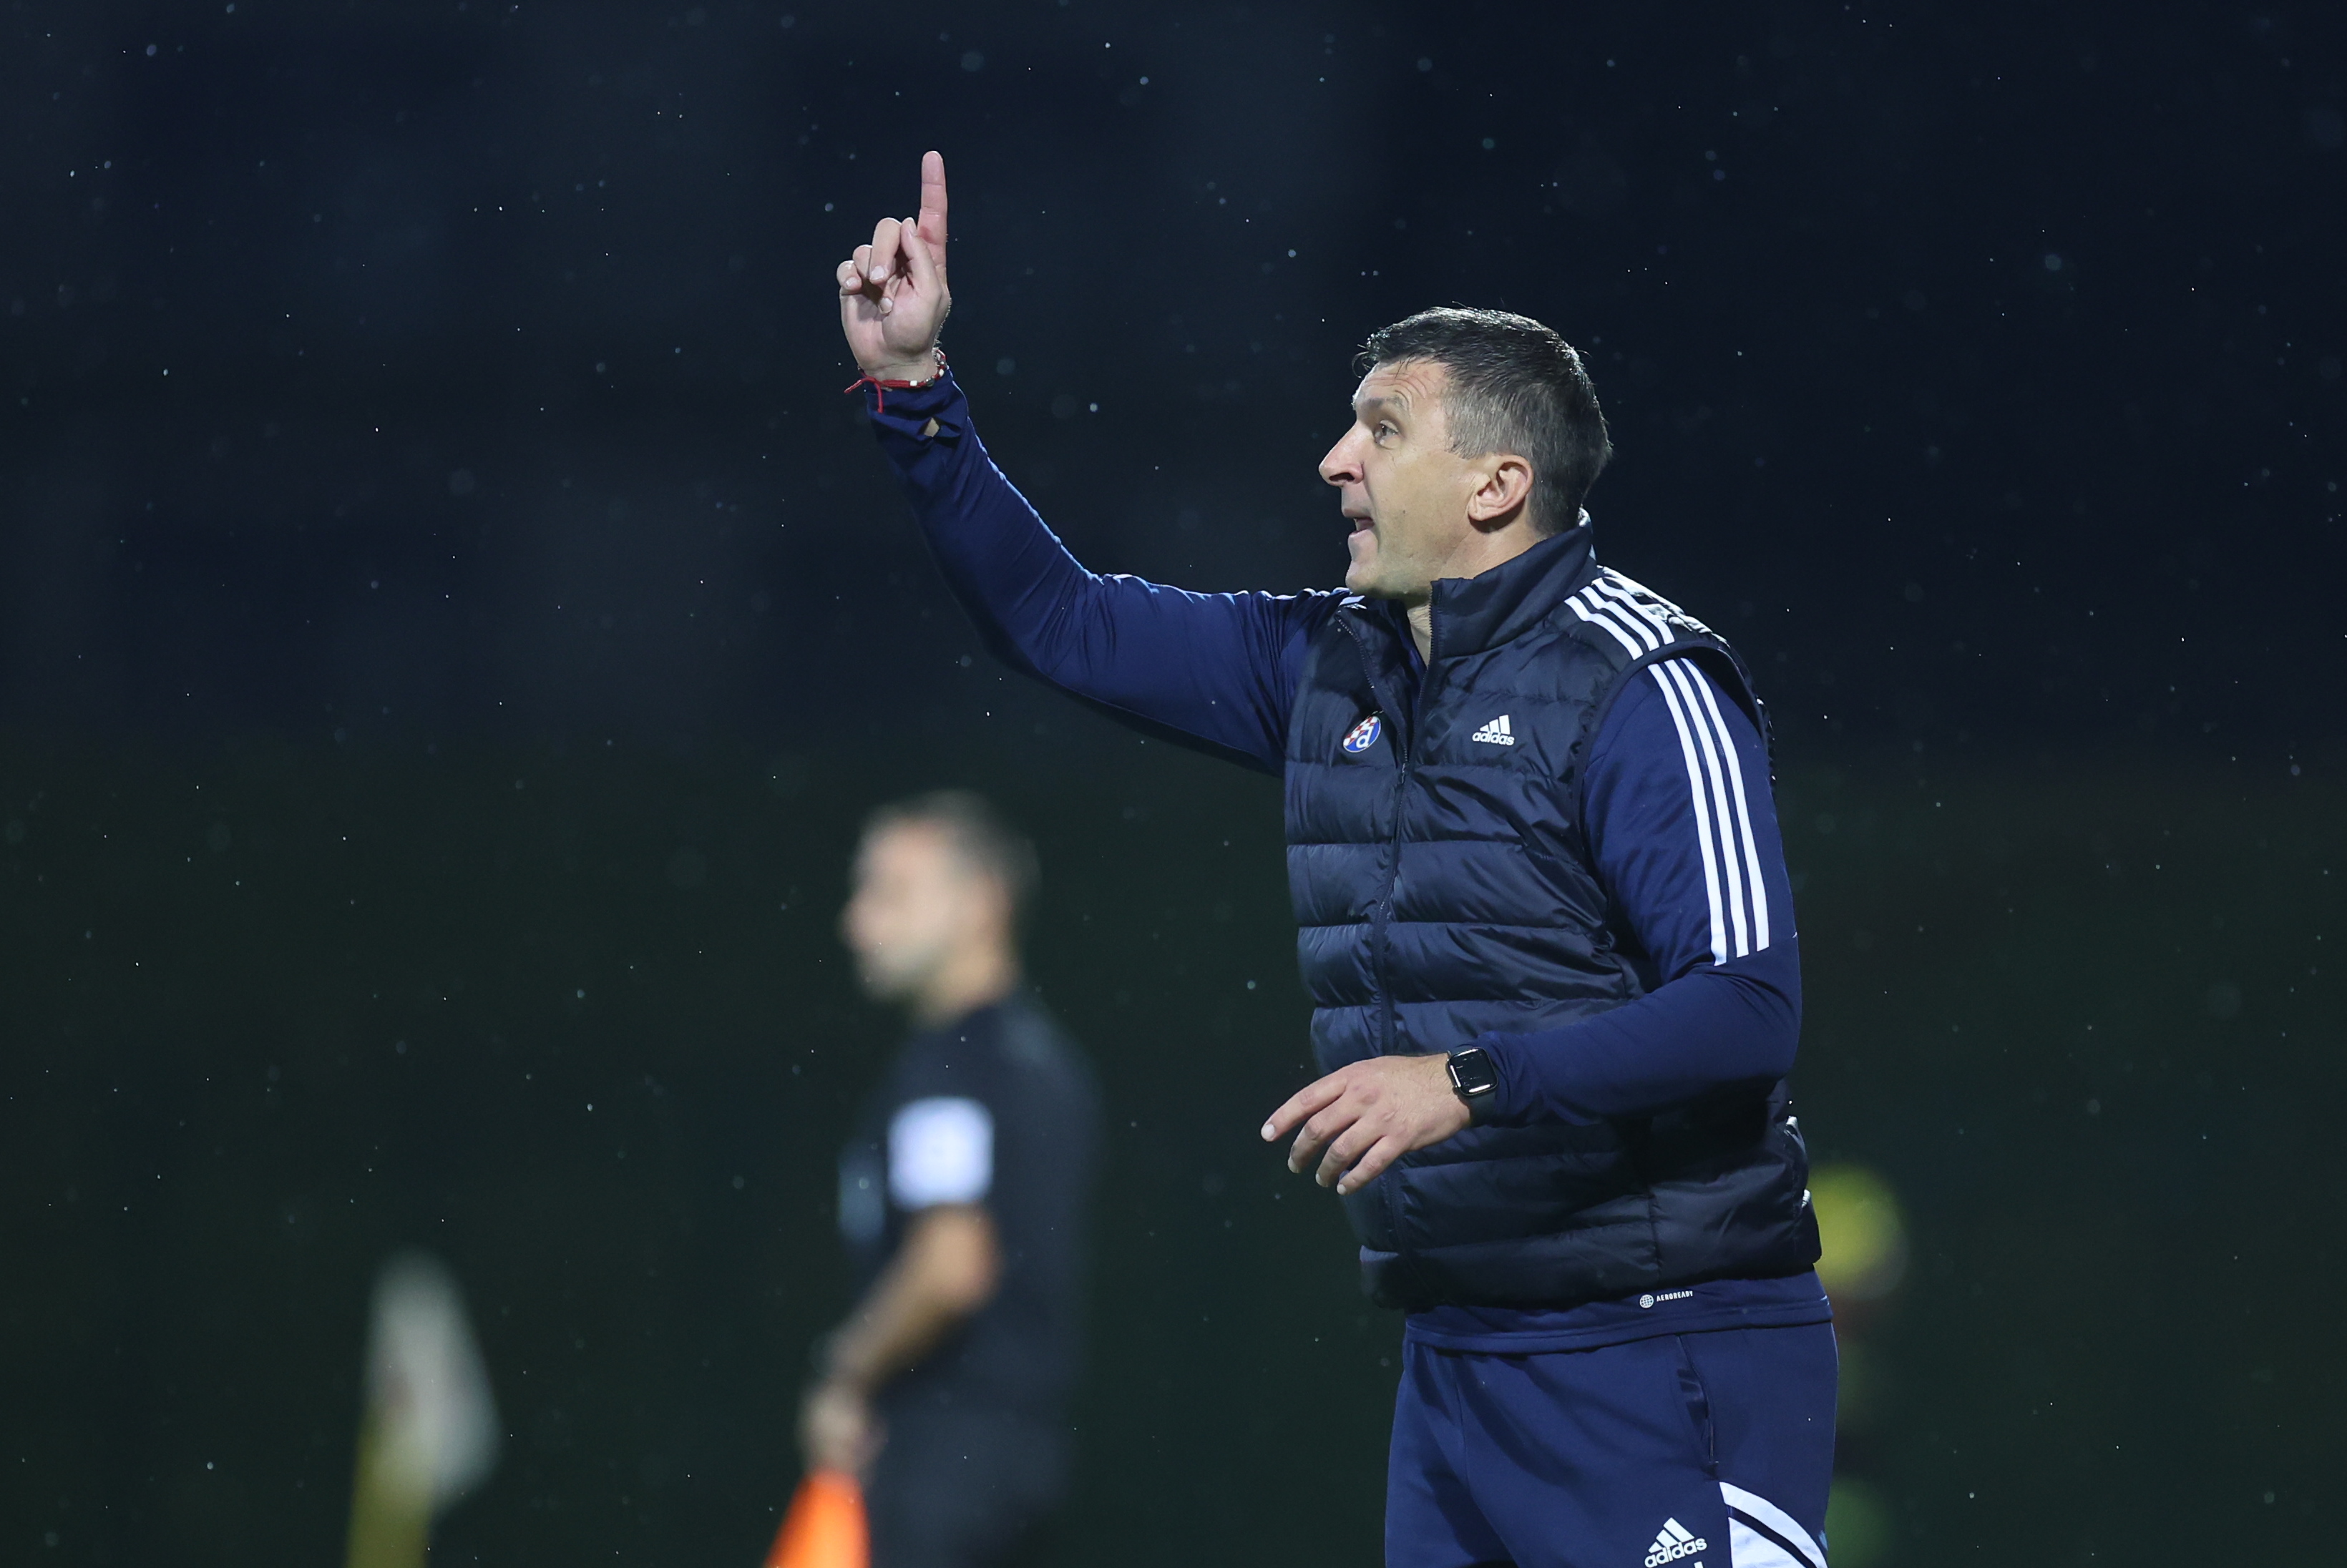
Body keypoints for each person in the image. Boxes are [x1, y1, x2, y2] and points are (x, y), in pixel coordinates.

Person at [833, 153, 1835, 1568]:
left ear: (1498, 482)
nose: (1333, 459)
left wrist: (1463, 1081)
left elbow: (1746, 1005)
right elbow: (1059, 622)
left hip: (1663, 1351)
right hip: (1457, 1363)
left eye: (1381, 428)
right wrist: (915, 391)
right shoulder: (1328, 664)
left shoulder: (1641, 679)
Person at [803, 790, 1100, 1568]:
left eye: (892, 892)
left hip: (941, 1462)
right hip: (1028, 1458)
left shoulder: (950, 1068)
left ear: (980, 904)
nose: (858, 922)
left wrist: (846, 1372)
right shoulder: (1046, 1061)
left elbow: (952, 1262)